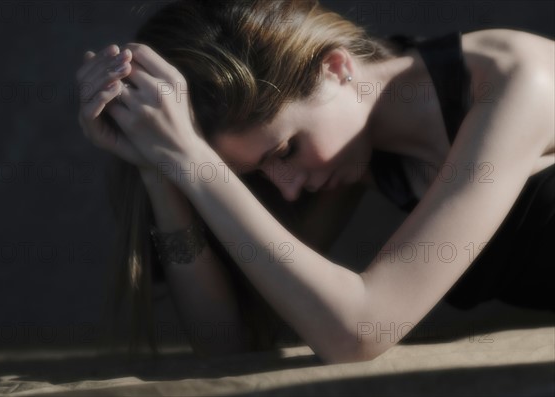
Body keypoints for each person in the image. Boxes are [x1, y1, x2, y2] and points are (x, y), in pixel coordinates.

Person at [75, 0, 554, 363]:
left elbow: (358, 330)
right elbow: (231, 340)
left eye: (284, 151)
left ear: (335, 68)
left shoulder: (519, 81)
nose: (286, 188)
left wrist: (192, 159)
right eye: (259, 172)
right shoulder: (355, 157)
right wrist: (159, 170)